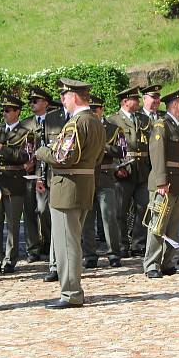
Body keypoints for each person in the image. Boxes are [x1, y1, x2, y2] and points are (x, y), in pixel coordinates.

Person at [36, 78, 105, 309]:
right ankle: (72, 290)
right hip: (85, 184)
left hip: (67, 187)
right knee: (73, 240)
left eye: (64, 96)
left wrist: (43, 151)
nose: (63, 101)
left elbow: (63, 157)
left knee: (67, 244)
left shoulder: (76, 123)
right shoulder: (95, 121)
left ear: (73, 97)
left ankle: (71, 293)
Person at [143, 87, 179, 278]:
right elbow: (157, 154)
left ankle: (168, 262)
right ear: (174, 105)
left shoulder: (178, 126)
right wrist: (161, 182)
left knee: (173, 226)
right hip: (165, 184)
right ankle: (152, 264)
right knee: (158, 225)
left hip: (178, 184)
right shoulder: (162, 125)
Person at [0, 95, 32, 274]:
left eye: (8, 110)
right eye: (3, 110)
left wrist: (1, 148)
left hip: (14, 181)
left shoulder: (27, 133)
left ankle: (10, 259)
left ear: (17, 112)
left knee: (12, 223)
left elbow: (25, 156)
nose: (4, 113)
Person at [107, 86, 152, 258]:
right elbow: (108, 146)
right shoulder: (113, 120)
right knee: (120, 210)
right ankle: (121, 244)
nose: (138, 102)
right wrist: (117, 166)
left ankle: (138, 244)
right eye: (135, 99)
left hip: (143, 168)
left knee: (143, 207)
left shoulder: (143, 119)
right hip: (124, 169)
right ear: (125, 101)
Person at [81, 95, 124, 268]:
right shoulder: (82, 126)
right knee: (87, 219)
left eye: (95, 109)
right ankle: (90, 255)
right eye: (90, 109)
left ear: (101, 110)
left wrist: (102, 146)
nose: (92, 112)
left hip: (105, 176)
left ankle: (114, 253)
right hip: (87, 175)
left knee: (109, 216)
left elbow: (121, 150)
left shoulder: (113, 129)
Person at [19, 86, 52, 263]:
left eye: (35, 101)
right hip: (27, 172)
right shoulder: (26, 124)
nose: (32, 104)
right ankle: (33, 248)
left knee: (44, 209)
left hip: (44, 171)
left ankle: (48, 242)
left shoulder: (53, 122)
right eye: (30, 101)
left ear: (45, 103)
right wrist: (24, 162)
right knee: (29, 210)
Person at [40, 94, 69, 282]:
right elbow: (44, 147)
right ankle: (54, 265)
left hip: (77, 178)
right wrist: (41, 177)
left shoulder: (82, 117)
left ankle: (70, 264)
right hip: (55, 177)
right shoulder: (51, 119)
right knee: (56, 223)